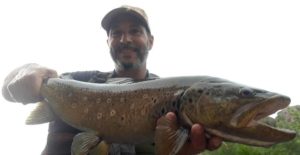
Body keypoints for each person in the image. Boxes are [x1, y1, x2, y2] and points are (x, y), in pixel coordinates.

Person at [2, 5, 222, 155]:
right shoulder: (76, 81)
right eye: (116, 33)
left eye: (135, 31)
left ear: (151, 41)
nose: (125, 39)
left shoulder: (177, 98)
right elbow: (7, 88)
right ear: (108, 42)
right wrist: (28, 72)